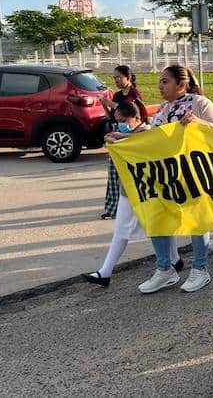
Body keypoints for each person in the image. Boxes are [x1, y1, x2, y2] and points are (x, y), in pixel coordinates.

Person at [138, 66, 213, 295]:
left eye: (165, 81)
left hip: (194, 173)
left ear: (181, 84)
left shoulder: (200, 103)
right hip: (166, 176)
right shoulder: (164, 109)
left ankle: (200, 269)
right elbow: (152, 137)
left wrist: (198, 122)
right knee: (156, 217)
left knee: (197, 221)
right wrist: (123, 138)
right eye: (160, 81)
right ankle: (164, 269)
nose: (160, 86)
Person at [83, 102, 151, 287]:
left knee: (155, 229)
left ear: (136, 117)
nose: (120, 125)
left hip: (144, 191)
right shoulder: (130, 134)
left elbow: (142, 142)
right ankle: (105, 271)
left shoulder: (147, 132)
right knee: (128, 230)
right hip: (129, 190)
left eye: (123, 121)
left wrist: (122, 138)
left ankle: (105, 272)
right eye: (118, 122)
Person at [99, 65, 147, 220]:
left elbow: (136, 113)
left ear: (128, 77)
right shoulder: (117, 95)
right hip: (117, 133)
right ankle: (112, 207)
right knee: (113, 174)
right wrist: (105, 106)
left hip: (131, 133)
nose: (116, 80)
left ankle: (129, 208)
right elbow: (113, 116)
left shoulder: (134, 94)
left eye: (119, 77)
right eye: (114, 78)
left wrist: (113, 105)